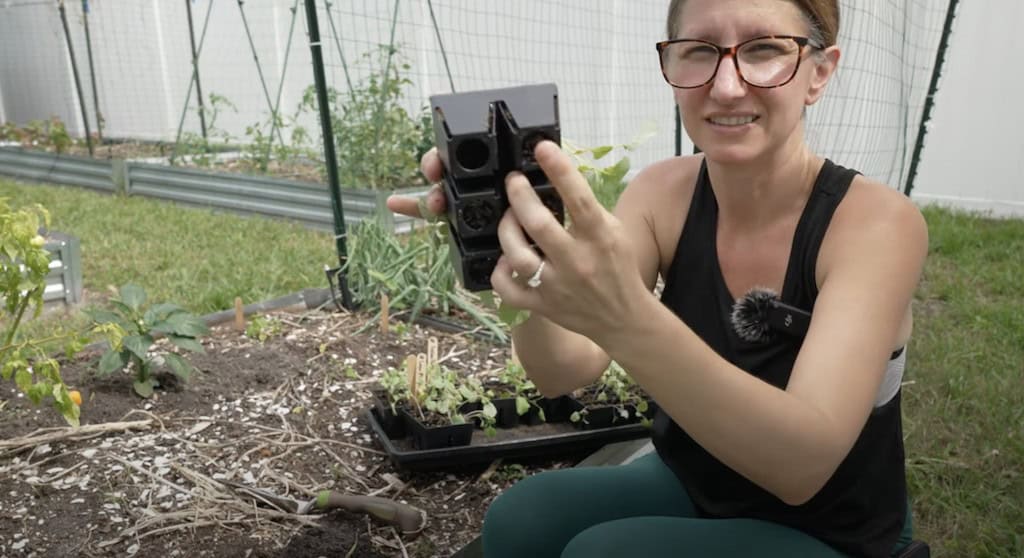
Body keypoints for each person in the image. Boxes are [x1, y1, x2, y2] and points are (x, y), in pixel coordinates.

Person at [387, 0, 928, 556]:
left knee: (605, 553)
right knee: (520, 521)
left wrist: (626, 318)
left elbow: (802, 466)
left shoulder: (875, 225)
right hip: (695, 481)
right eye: (698, 52)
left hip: (831, 527)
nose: (725, 86)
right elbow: (562, 370)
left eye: (764, 50)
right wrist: (528, 253)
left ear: (818, 72)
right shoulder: (661, 193)